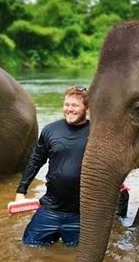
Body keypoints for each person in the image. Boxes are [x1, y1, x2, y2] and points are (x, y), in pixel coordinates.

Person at [14, 86, 129, 247]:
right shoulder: (50, 130)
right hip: (50, 210)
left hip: (82, 214)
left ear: (87, 109)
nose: (69, 109)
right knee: (28, 248)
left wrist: (118, 185)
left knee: (78, 257)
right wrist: (21, 191)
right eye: (66, 105)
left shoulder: (97, 133)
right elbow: (35, 161)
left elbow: (115, 161)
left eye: (74, 105)